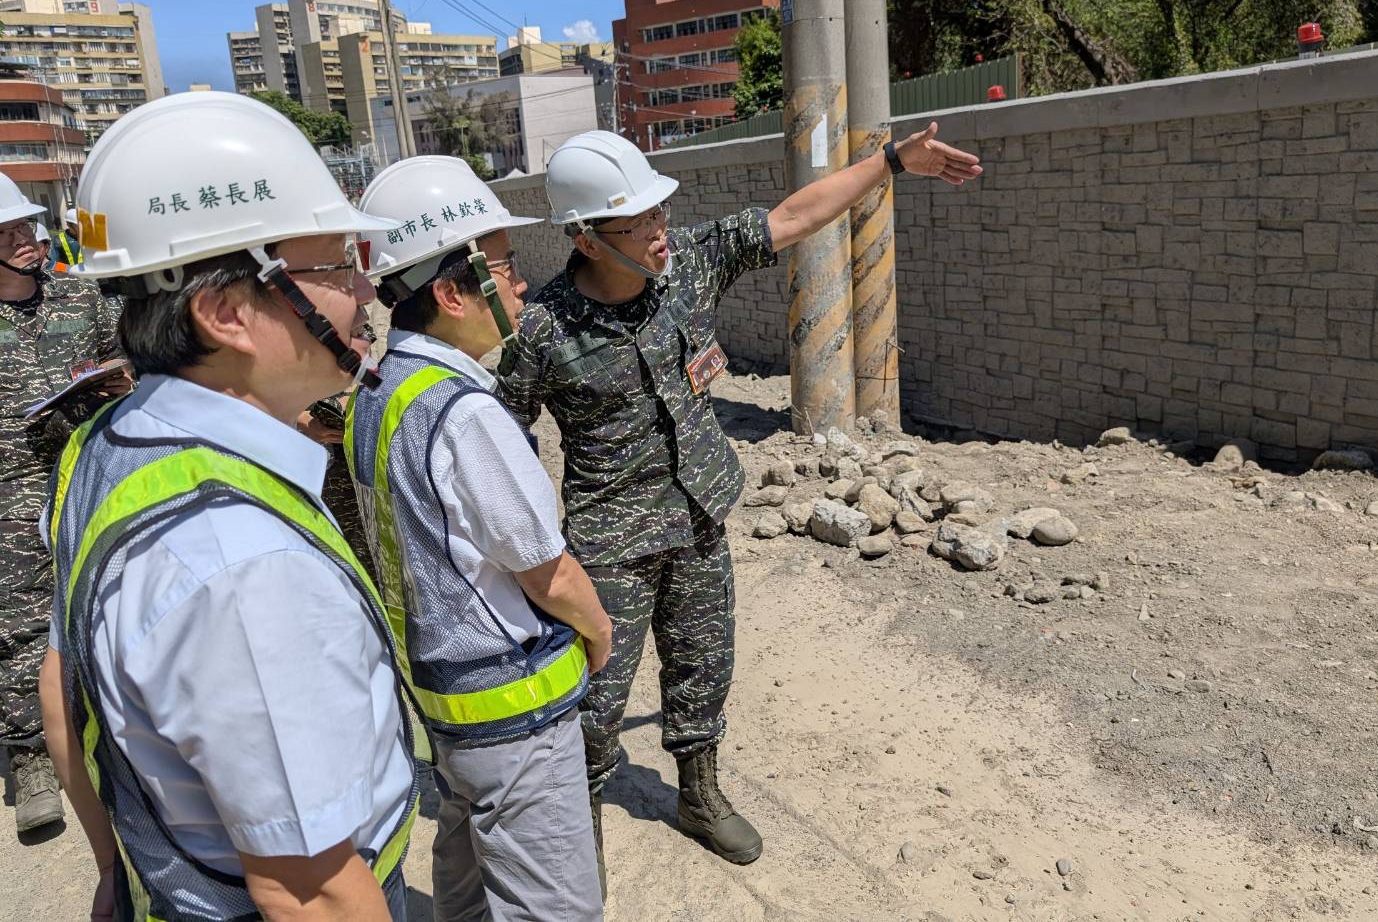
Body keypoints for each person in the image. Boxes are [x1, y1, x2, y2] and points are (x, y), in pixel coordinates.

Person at [497, 126, 980, 877]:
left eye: (662, 214)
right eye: (641, 222)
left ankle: (699, 794)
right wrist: (529, 551)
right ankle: (576, 831)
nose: (661, 232)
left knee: (703, 665)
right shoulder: (544, 329)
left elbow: (793, 217)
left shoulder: (688, 262)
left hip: (697, 517)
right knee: (594, 703)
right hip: (609, 547)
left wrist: (889, 163)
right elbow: (502, 433)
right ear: (588, 238)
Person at [37, 91, 420, 920]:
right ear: (225, 312)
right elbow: (308, 890)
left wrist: (119, 867)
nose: (367, 290)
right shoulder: (240, 564)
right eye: (338, 265)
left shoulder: (104, 445)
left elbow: (61, 689)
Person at [349, 155, 611, 919]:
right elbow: (545, 571)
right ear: (450, 290)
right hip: (510, 711)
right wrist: (597, 634)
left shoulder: (377, 384)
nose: (522, 282)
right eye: (503, 265)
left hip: (443, 703)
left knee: (463, 888)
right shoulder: (464, 412)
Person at [0, 170, 121, 837]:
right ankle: (33, 761)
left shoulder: (80, 295)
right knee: (18, 621)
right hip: (10, 491)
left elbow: (118, 357)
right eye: (7, 232)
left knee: (105, 598)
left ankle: (115, 728)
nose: (24, 240)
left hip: (85, 473)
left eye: (25, 227)